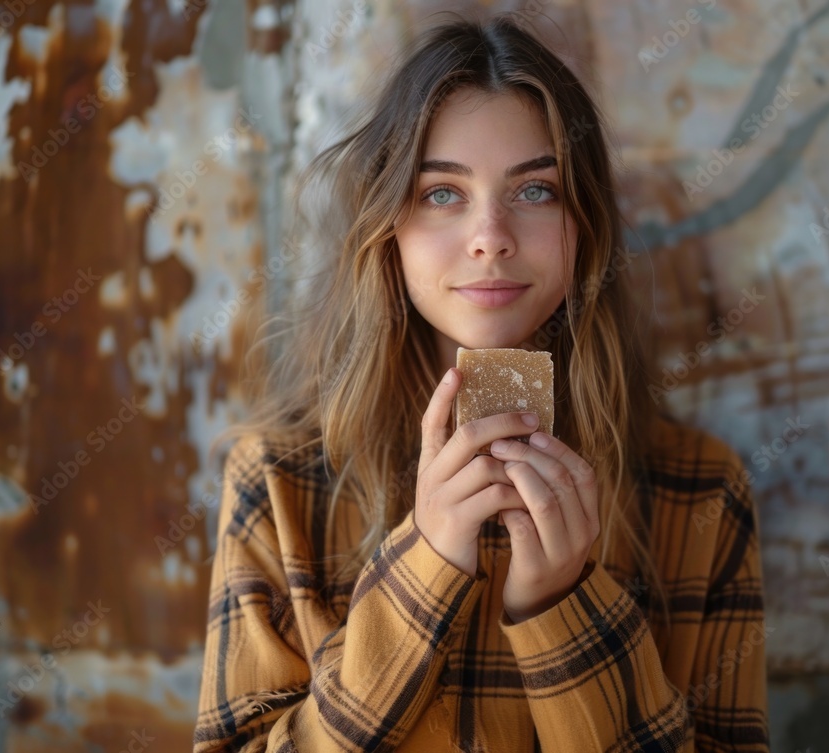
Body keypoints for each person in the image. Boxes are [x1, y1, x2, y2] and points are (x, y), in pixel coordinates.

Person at [193, 14, 769, 753]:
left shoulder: (703, 493)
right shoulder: (277, 483)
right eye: (442, 193)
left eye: (536, 191)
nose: (491, 233)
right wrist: (426, 567)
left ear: (584, 226)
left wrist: (564, 605)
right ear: (388, 227)